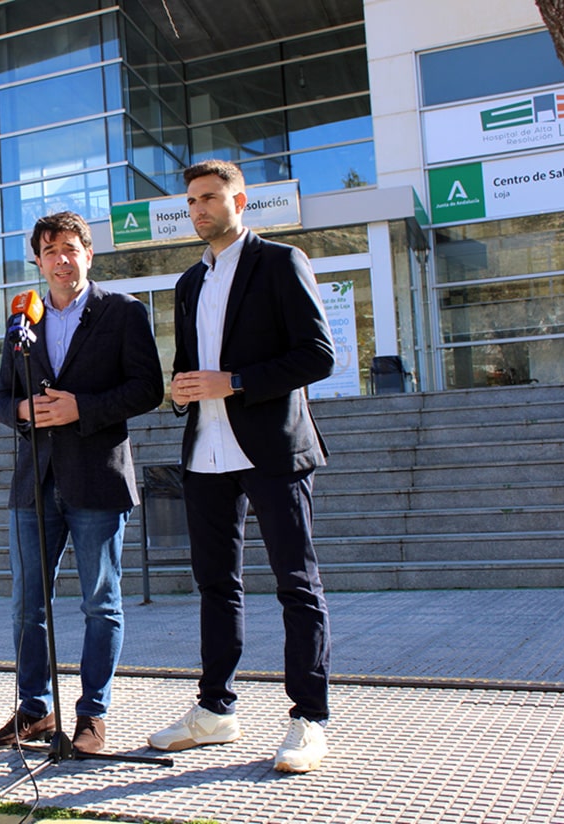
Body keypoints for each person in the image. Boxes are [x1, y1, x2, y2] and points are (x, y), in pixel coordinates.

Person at [146, 160, 336, 773]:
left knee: (296, 584)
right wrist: (180, 391)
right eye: (191, 201)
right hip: (206, 453)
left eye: (209, 198)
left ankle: (309, 720)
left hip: (273, 448)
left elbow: (318, 355)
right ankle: (216, 711)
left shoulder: (281, 262)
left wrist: (234, 382)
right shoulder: (187, 283)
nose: (198, 210)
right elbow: (190, 365)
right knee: (215, 586)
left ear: (240, 201)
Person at [0, 211, 164, 755]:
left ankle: (91, 716)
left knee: (100, 603)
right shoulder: (21, 321)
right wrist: (20, 409)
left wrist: (78, 408)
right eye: (49, 250)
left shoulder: (123, 313)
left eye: (70, 248)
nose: (61, 259)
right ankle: (34, 711)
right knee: (25, 604)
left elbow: (147, 389)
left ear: (88, 253)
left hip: (97, 479)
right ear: (37, 260)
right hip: (33, 483)